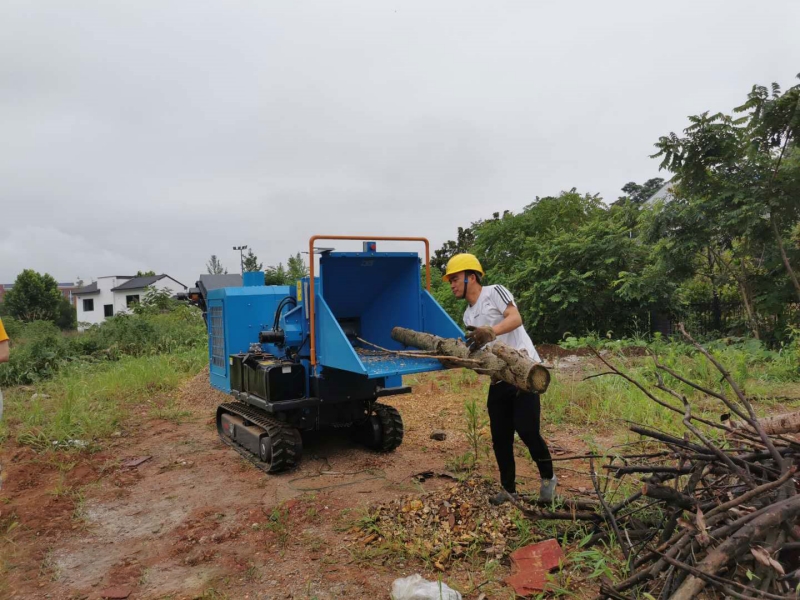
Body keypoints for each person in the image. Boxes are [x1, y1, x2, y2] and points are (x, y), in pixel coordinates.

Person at [443, 254, 556, 504]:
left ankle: (548, 478)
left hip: (524, 372)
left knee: (527, 430)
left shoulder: (495, 292)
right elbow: (481, 353)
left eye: (454, 279)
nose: (451, 285)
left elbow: (515, 318)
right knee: (500, 436)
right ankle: (508, 489)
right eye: (450, 281)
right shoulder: (468, 316)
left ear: (471, 277)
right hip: (499, 377)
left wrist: (491, 331)